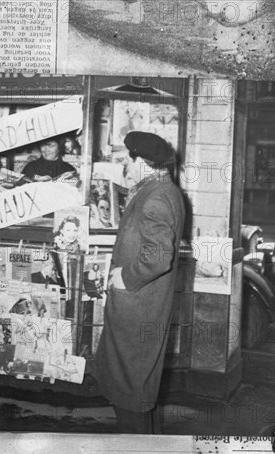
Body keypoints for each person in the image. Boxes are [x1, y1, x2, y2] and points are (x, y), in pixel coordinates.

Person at [95, 131, 185, 434]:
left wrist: (125, 276)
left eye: (127, 161)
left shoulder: (156, 198)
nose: (125, 167)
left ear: (144, 164)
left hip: (137, 311)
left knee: (130, 395)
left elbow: (159, 256)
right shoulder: (163, 190)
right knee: (140, 392)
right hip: (143, 308)